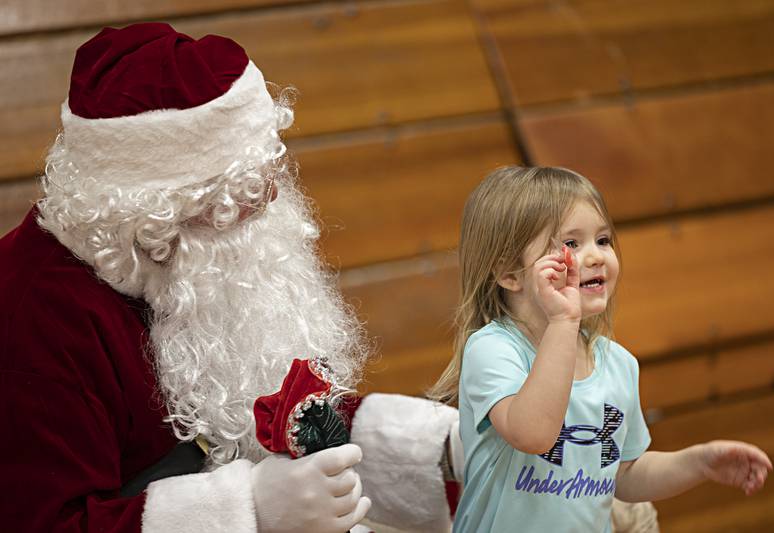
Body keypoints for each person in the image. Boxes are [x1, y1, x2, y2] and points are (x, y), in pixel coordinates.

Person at [0, 23, 461, 533]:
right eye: (239, 189)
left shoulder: (187, 265)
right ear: (155, 208)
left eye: (269, 169)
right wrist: (247, 511)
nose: (271, 198)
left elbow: (277, 419)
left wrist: (441, 453)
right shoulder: (32, 318)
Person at [428, 166, 773, 532]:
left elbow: (623, 475)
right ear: (510, 273)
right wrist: (563, 322)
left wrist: (698, 463)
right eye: (571, 244)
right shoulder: (493, 349)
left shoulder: (619, 364)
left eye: (604, 240)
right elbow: (533, 434)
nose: (595, 257)